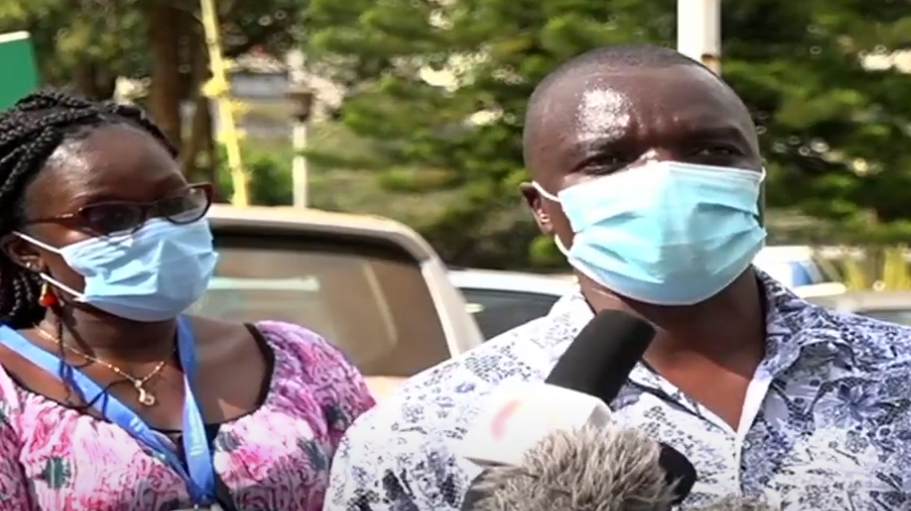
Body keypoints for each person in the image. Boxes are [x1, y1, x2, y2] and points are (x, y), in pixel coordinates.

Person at [325, 44, 911, 510]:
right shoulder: (421, 431)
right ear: (542, 206)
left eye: (710, 151)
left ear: (756, 176)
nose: (667, 179)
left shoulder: (898, 377)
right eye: (608, 160)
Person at [0, 90, 375, 511]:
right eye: (110, 217)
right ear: (24, 250)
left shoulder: (302, 361)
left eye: (175, 204)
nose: (158, 231)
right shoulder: (9, 392)